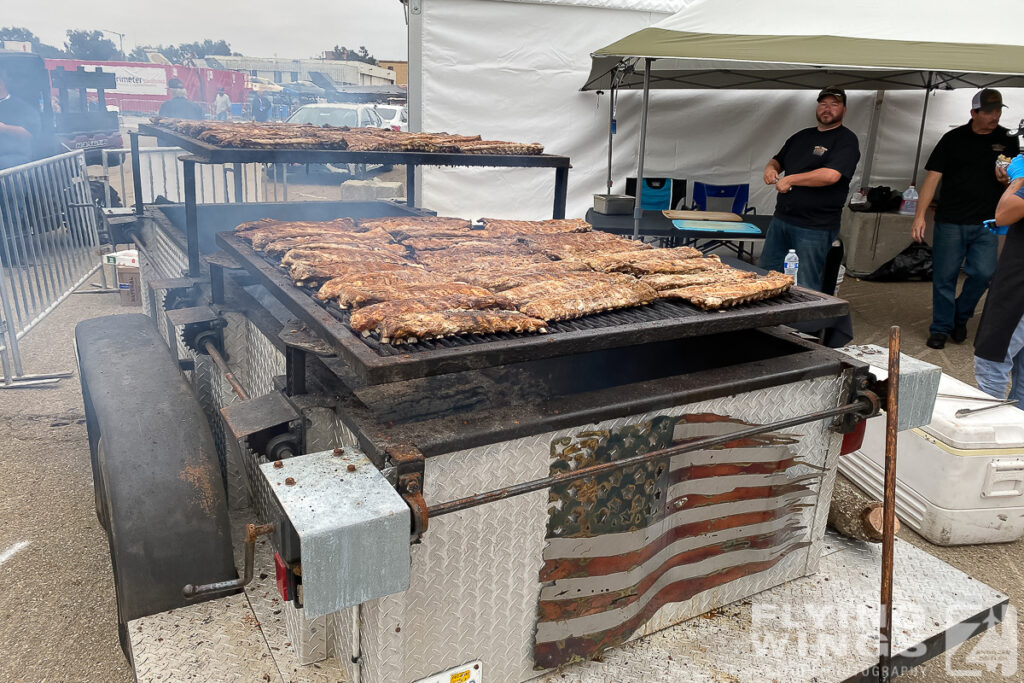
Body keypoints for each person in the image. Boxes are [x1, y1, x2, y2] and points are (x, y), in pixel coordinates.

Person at [911, 88, 1019, 350]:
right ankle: (940, 328)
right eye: (989, 111)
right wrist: (919, 216)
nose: (994, 116)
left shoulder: (1008, 139)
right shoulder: (953, 139)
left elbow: (1017, 180)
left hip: (988, 223)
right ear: (974, 113)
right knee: (944, 277)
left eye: (998, 111)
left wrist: (1007, 179)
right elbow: (933, 178)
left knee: (983, 274)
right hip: (951, 220)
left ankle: (960, 316)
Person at [758, 86, 861, 292]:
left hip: (815, 226)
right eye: (823, 104)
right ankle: (764, 321)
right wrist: (771, 168)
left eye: (834, 104)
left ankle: (806, 324)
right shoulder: (801, 136)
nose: (827, 109)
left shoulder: (846, 140)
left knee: (805, 283)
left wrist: (791, 180)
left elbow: (831, 176)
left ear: (844, 110)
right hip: (782, 220)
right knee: (766, 276)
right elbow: (778, 160)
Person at [974, 155, 1024, 404]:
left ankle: (988, 432)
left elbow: (1004, 213)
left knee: (993, 359)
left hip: (1018, 287)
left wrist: (1018, 179)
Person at [0, 66, 40, 170]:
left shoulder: (22, 107)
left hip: (14, 161)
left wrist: (4, 128)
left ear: (2, 83)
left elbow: (30, 135)